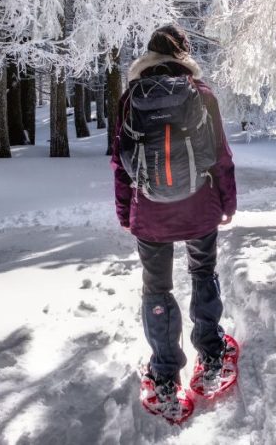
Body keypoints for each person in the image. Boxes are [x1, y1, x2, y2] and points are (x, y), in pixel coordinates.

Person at [110, 24, 237, 407]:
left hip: (150, 211)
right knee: (202, 272)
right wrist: (226, 203)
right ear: (183, 55)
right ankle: (212, 354)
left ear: (149, 56)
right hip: (199, 206)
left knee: (156, 288)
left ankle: (165, 375)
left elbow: (120, 163)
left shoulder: (130, 97)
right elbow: (221, 155)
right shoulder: (200, 93)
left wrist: (124, 212)